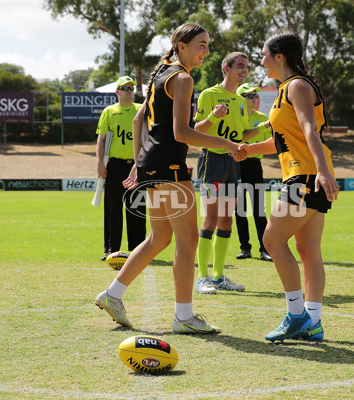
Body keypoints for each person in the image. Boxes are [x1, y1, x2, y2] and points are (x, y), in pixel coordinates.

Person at [95, 23, 243, 334]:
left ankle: (112, 295)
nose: (206, 51)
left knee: (159, 238)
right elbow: (180, 134)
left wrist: (139, 163)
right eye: (201, 45)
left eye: (207, 44)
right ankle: (184, 317)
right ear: (181, 46)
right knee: (187, 240)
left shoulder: (163, 74)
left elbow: (140, 121)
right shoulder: (183, 78)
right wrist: (228, 144)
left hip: (154, 165)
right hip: (170, 167)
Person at [235, 31, 339, 343]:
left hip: (306, 176)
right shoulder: (284, 89)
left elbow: (309, 130)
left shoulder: (296, 85)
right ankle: (313, 322)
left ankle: (296, 315)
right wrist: (247, 149)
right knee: (308, 250)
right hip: (306, 174)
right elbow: (284, 140)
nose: (261, 60)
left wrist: (322, 171)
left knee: (271, 239)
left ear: (280, 56)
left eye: (264, 54)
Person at [193, 52, 262, 294]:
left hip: (233, 163)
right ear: (226, 68)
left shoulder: (242, 102)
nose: (244, 71)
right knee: (210, 219)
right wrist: (213, 116)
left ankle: (219, 276)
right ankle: (202, 278)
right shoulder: (209, 95)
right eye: (240, 66)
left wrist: (264, 127)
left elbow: (241, 136)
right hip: (212, 160)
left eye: (247, 67)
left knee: (226, 219)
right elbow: (196, 130)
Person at [96, 76, 146, 261]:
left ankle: (138, 250)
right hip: (115, 166)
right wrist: (100, 163)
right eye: (124, 88)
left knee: (137, 208)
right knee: (113, 209)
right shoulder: (109, 111)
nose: (128, 90)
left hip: (137, 166)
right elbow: (101, 139)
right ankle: (111, 249)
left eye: (131, 88)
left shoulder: (141, 109)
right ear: (117, 91)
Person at [234, 83, 272, 262]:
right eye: (250, 96)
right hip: (236, 165)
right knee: (240, 209)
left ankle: (265, 249)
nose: (254, 98)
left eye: (255, 96)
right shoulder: (234, 117)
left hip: (255, 165)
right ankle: (245, 248)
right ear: (241, 97)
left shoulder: (263, 118)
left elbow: (267, 143)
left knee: (259, 210)